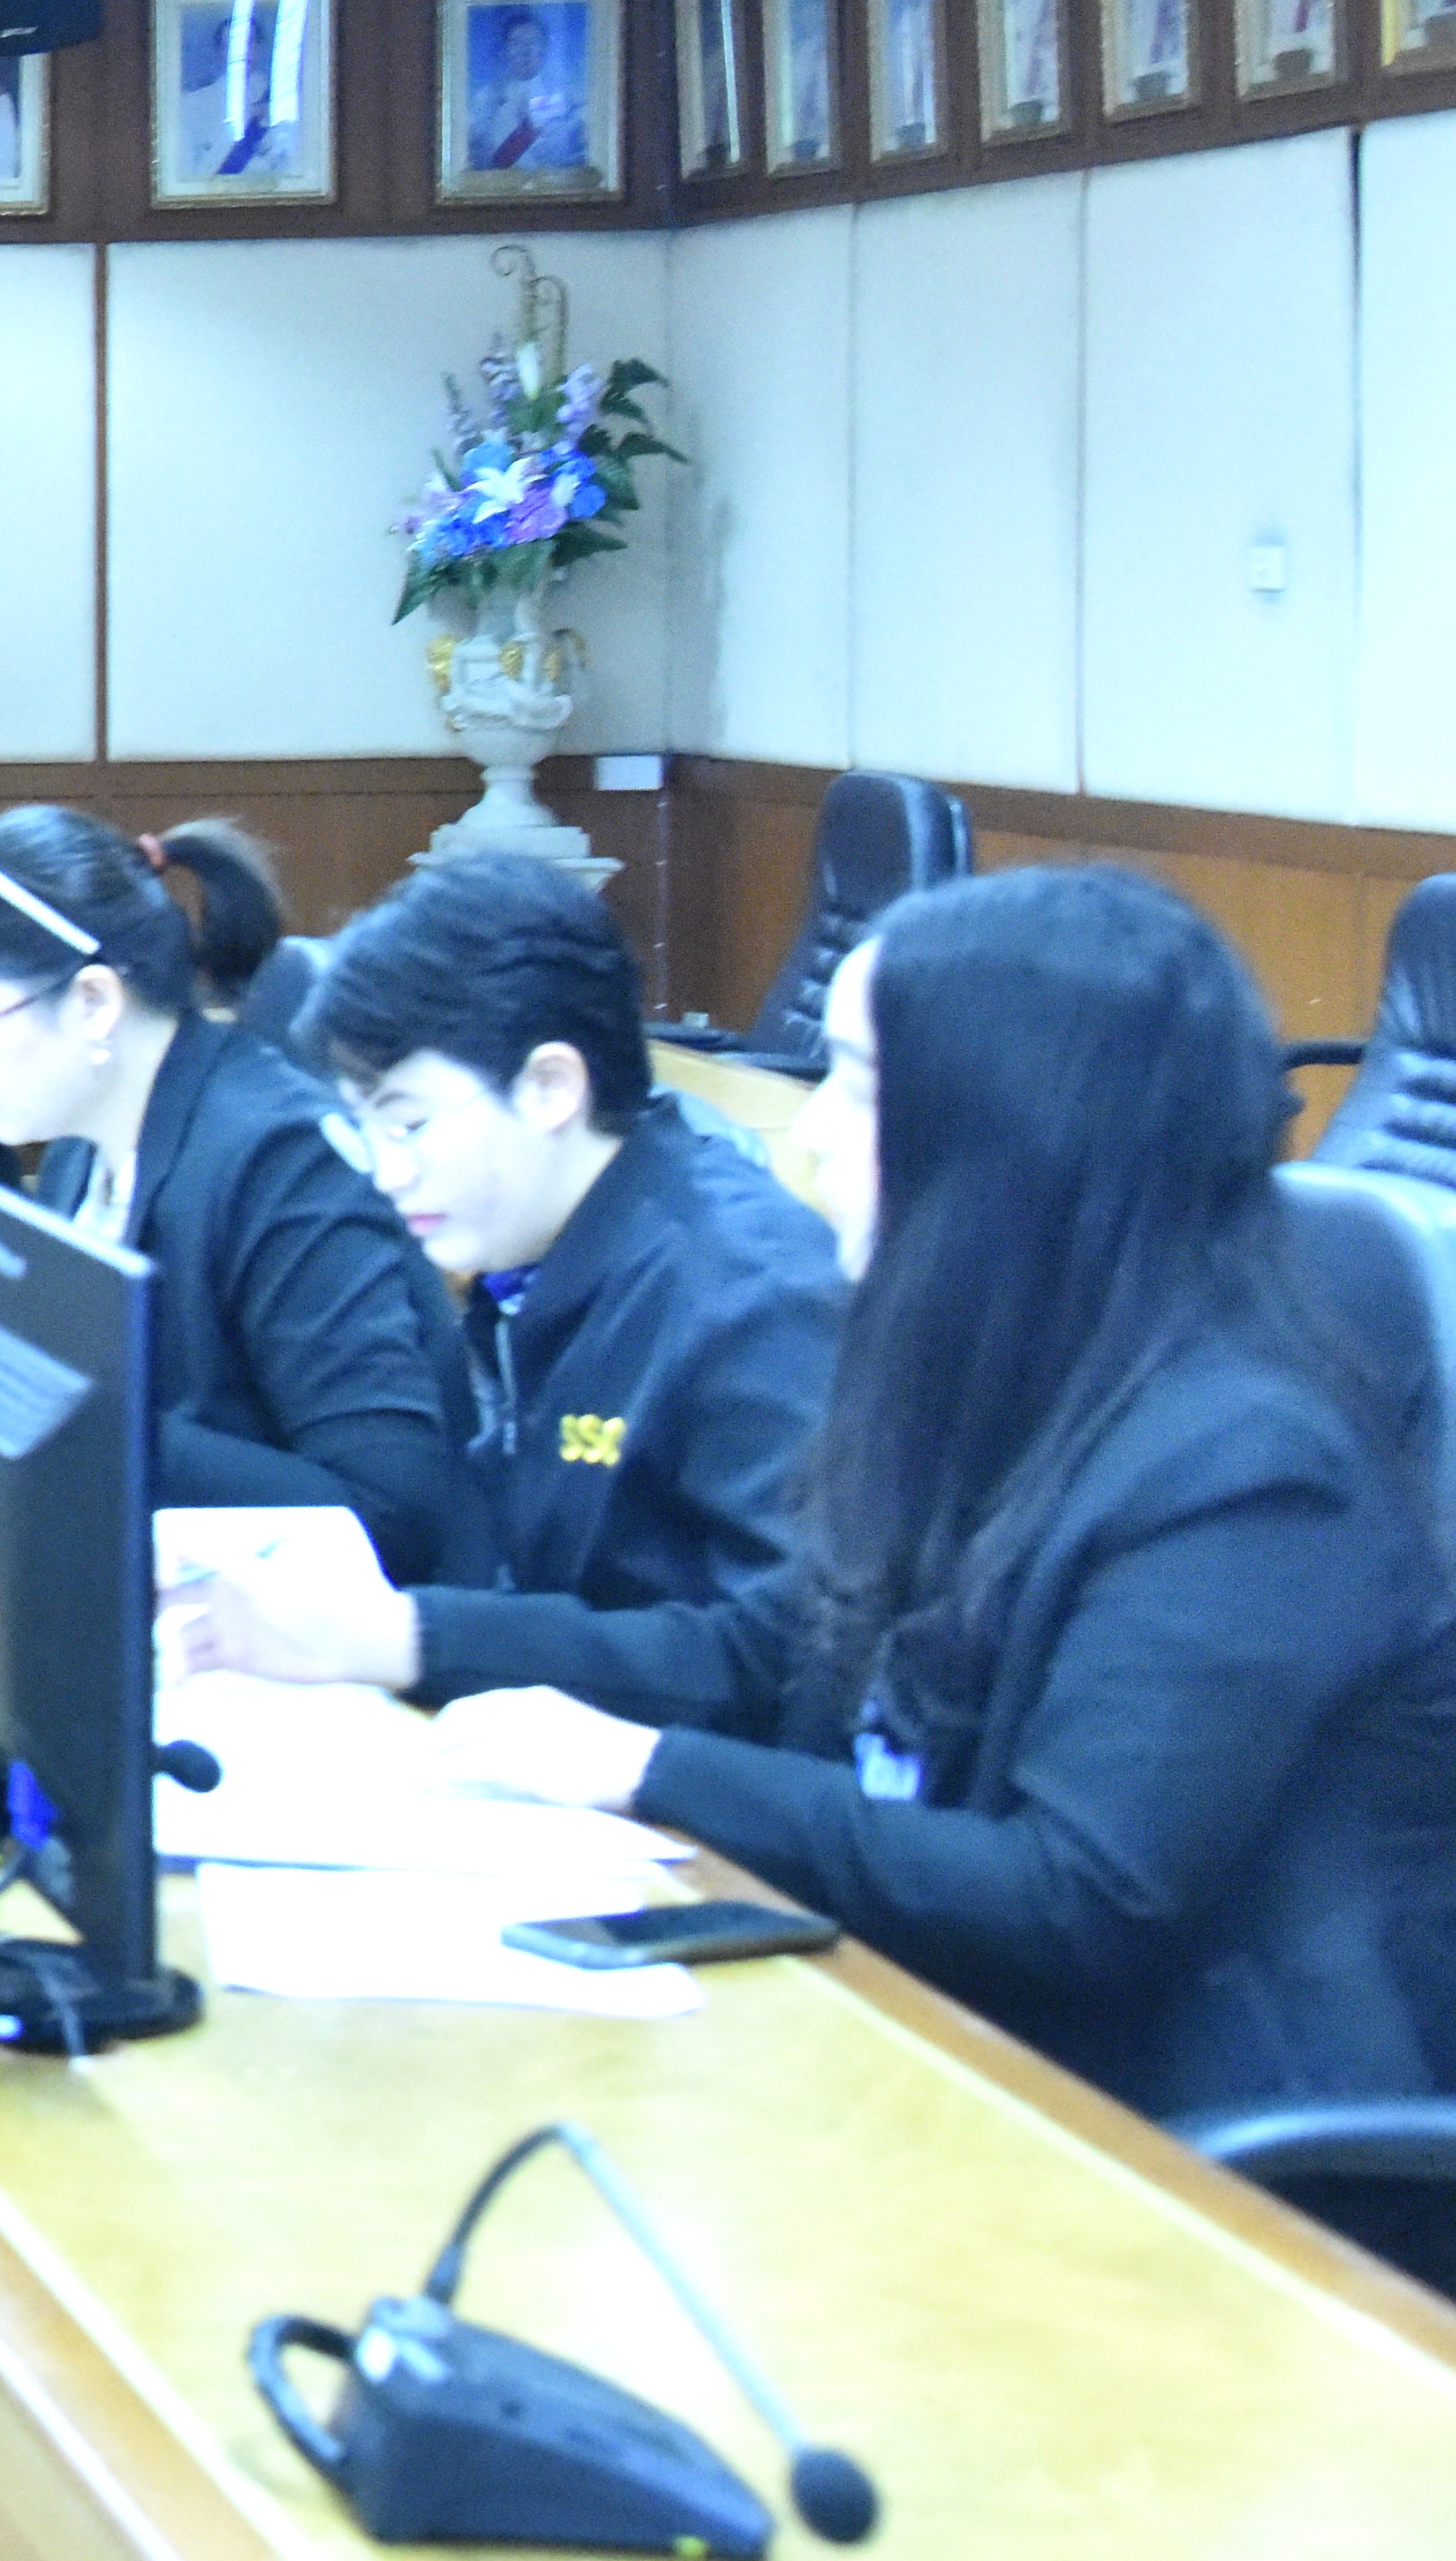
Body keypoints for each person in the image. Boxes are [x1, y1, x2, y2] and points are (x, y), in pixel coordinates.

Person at [186, 869, 1456, 2121]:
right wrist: (424, 1653)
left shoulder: (1248, 1473)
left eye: (854, 1082)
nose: (808, 1130)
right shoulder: (999, 1373)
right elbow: (780, 1652)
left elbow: (1070, 1898)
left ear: (1007, 1125)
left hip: (1188, 2147)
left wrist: (647, 1768)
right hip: (943, 2034)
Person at [0, 806, 484, 1579]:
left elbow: (388, 1511)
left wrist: (81, 1424)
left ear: (93, 1001)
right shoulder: (86, 1142)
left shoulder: (279, 1162)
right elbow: (10, 1332)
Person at [285, 852, 837, 1633]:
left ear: (549, 1085)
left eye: (405, 1123)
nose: (385, 1172)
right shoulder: (532, 1261)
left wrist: (414, 1639)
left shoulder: (750, 1296)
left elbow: (781, 1653)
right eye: (362, 1128)